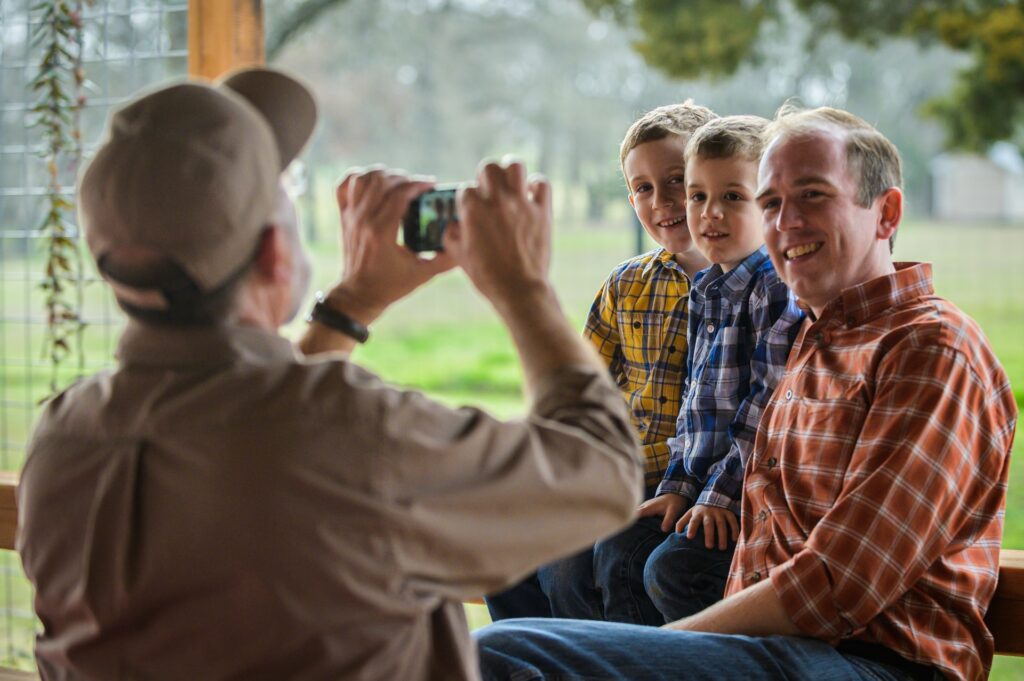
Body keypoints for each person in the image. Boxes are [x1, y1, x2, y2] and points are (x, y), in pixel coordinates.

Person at [15, 69, 644, 681]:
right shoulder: (350, 432)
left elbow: (254, 440)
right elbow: (603, 471)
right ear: (276, 251)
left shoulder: (63, 437)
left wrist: (348, 308)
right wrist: (521, 288)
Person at [477, 105, 1017, 681]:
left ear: (886, 213)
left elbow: (836, 587)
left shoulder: (928, 347)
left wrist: (659, 649)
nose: (786, 222)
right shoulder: (814, 336)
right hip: (782, 650)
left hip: (871, 662)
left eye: (812, 195)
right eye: (771, 202)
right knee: (501, 636)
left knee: (505, 652)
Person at [486, 101, 716, 625]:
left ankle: (595, 659)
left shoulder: (745, 286)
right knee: (515, 541)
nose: (662, 201)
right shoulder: (626, 284)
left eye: (677, 180)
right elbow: (584, 389)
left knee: (589, 564)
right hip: (614, 469)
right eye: (642, 188)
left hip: (685, 478)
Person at [639, 114, 804, 621]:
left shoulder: (775, 288)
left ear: (770, 204)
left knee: (668, 569)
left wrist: (715, 496)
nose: (709, 214)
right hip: (700, 484)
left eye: (733, 197)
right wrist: (677, 485)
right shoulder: (708, 288)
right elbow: (694, 407)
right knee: (606, 548)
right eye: (697, 197)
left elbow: (764, 406)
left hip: (739, 493)